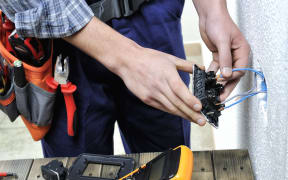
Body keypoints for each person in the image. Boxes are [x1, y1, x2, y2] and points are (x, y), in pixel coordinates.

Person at [0, 0, 250, 157]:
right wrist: (129, 58)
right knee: (75, 167)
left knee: (167, 162)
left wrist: (212, 9)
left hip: (152, 20)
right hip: (61, 40)